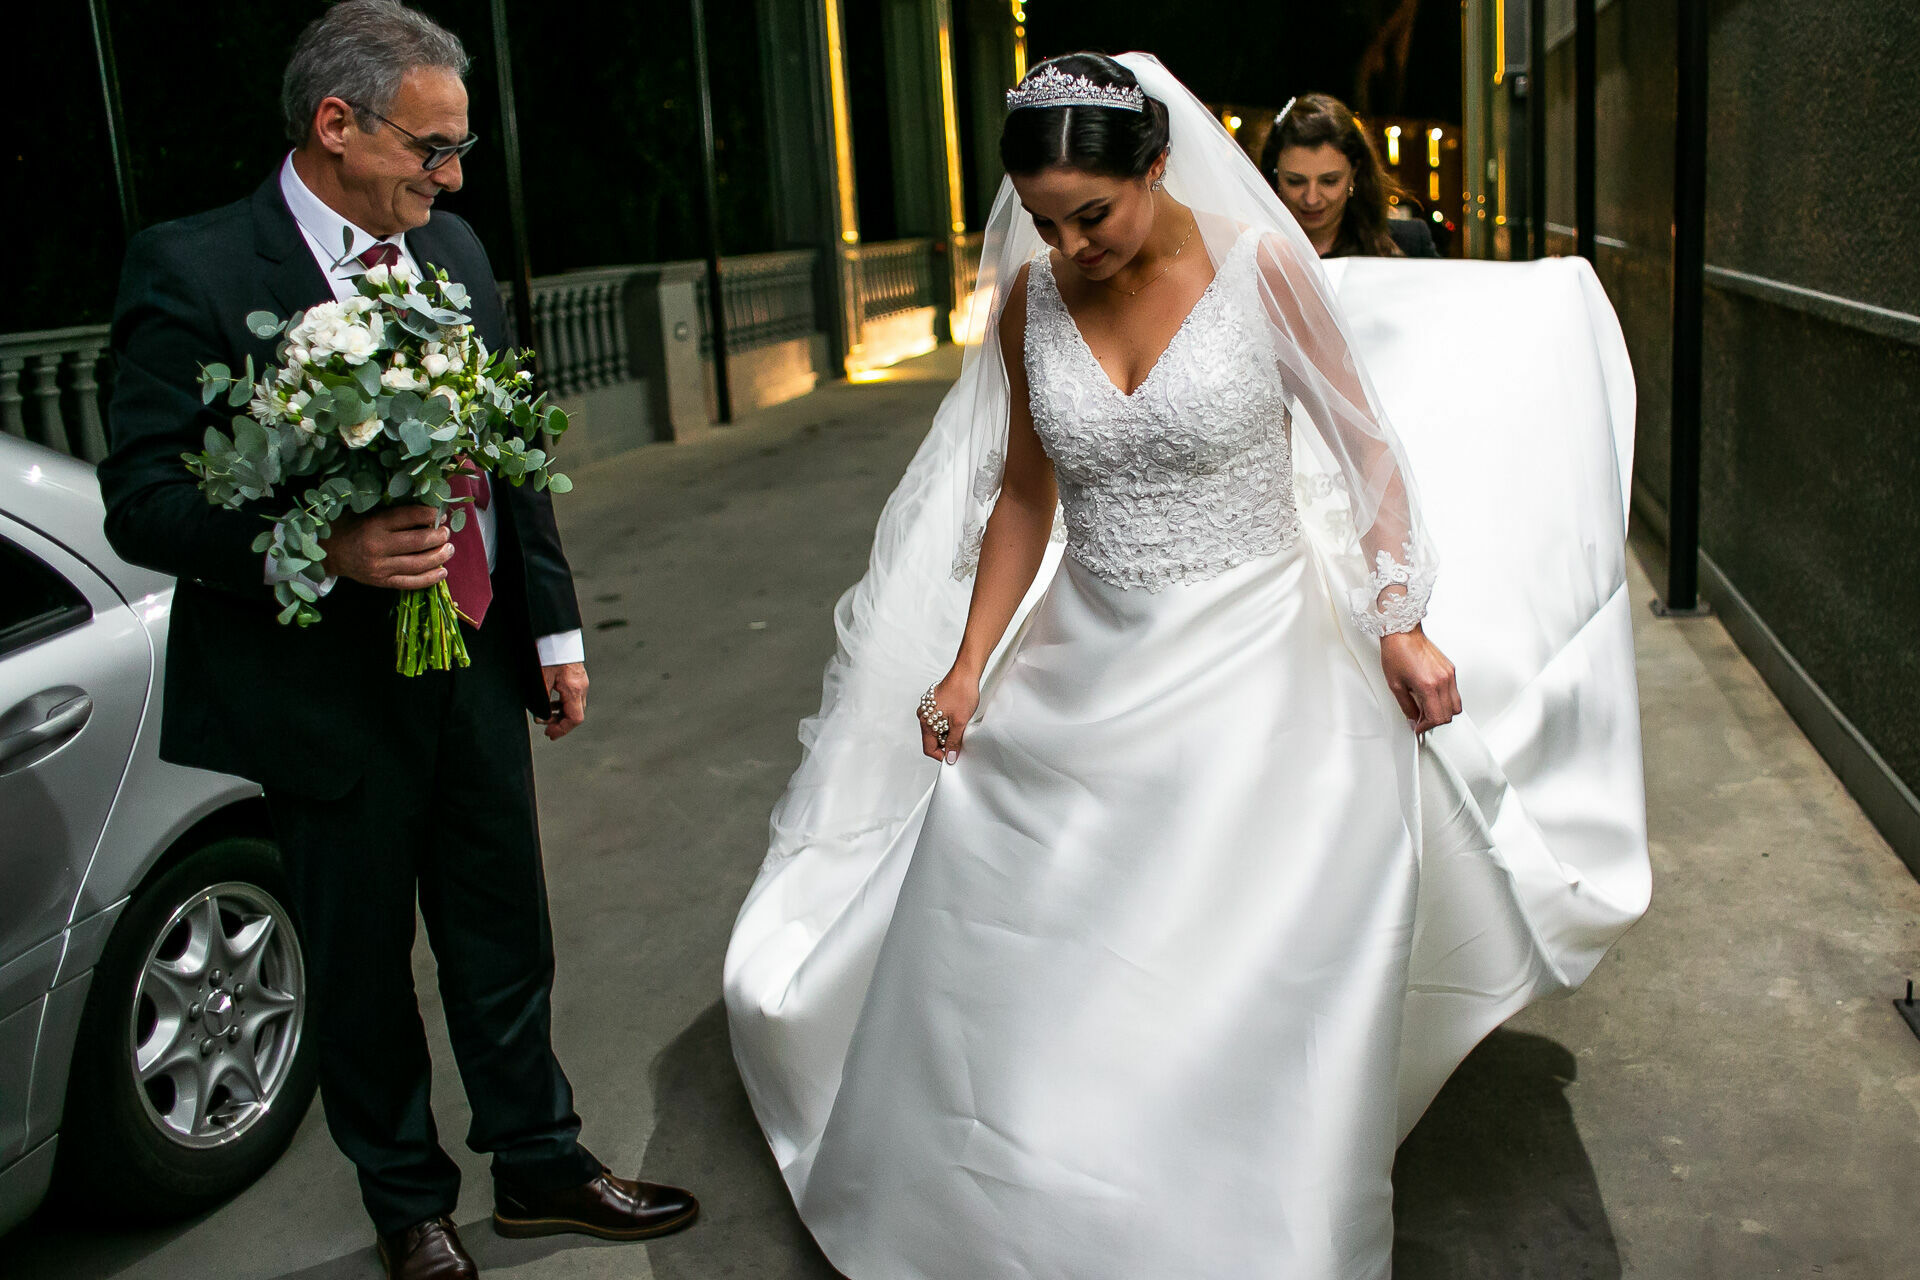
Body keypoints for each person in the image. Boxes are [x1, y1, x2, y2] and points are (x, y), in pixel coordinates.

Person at [724, 51, 1651, 1278]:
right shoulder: (1032, 301)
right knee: (1037, 935)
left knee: (1238, 950)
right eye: (1044, 220)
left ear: (1157, 167)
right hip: (1084, 658)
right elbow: (1024, 496)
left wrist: (1398, 617)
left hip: (1261, 660)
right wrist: (967, 664)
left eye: (1092, 214)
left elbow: (1366, 449)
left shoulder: (1262, 269)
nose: (1070, 244)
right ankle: (1040, 1203)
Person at [95, 4, 696, 1276]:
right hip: (318, 691)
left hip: (469, 657)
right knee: (361, 964)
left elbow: (510, 464)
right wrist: (326, 547)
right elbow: (143, 502)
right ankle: (408, 1201)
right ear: (336, 124)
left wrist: (554, 632)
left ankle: (539, 1162)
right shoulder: (194, 269)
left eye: (460, 148)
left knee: (505, 932)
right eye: (433, 149)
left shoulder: (455, 252)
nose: (454, 178)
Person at [1260, 90, 1439, 259]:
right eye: (1295, 181)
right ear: (1275, 176)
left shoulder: (1408, 242)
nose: (1311, 199)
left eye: (1329, 181)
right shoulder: (1254, 251)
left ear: (1354, 173)